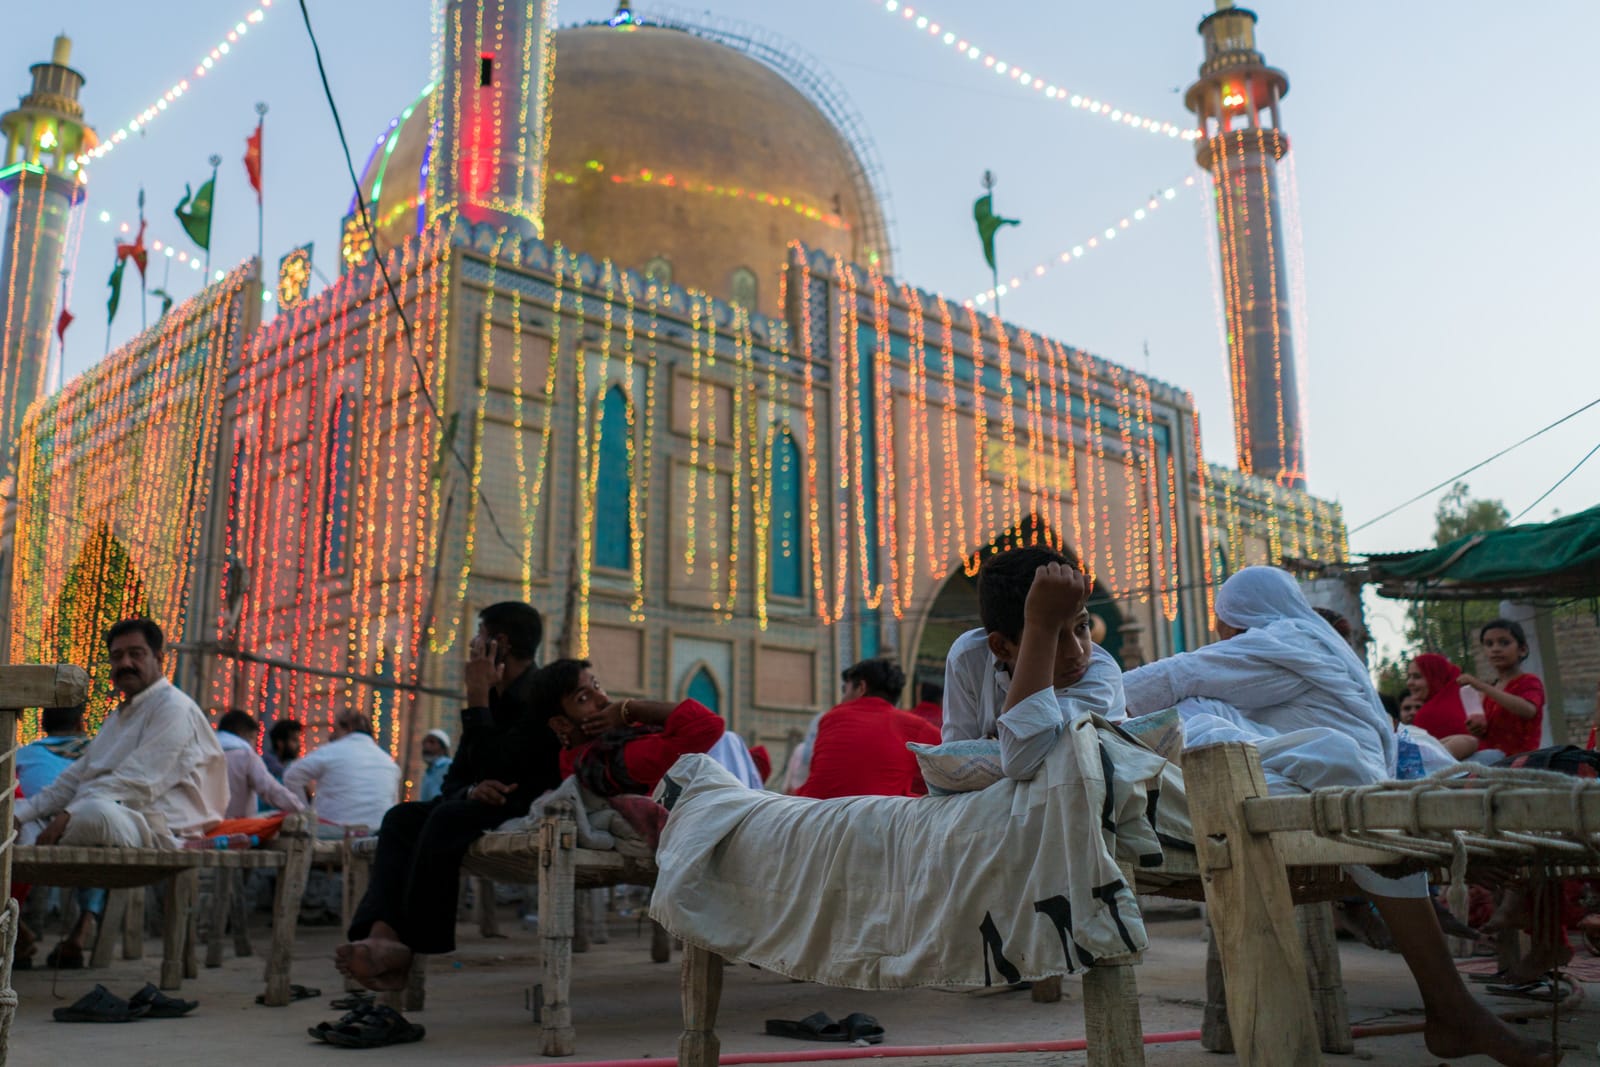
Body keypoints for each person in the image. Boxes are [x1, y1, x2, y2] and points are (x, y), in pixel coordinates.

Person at [1116, 565, 1553, 1067]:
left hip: (1334, 798)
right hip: (1350, 793)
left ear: (1239, 618)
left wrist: (1081, 690)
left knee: (1204, 715)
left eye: (1222, 621)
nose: (1219, 635)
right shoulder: (1311, 642)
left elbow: (1166, 678)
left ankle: (1451, 1006)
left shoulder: (1279, 644)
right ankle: (1451, 1006)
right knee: (1211, 719)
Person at [338, 602, 560, 992]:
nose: (472, 644)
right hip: (477, 801)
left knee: (446, 819)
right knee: (401, 818)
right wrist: (472, 788)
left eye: (479, 635)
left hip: (527, 803)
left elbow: (504, 770)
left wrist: (476, 698)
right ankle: (383, 934)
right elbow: (458, 777)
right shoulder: (492, 698)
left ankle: (414, 946)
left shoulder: (541, 696)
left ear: (499, 643)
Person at [13, 619, 229, 967]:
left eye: (136, 654)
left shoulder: (174, 708)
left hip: (158, 827)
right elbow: (72, 780)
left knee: (94, 811)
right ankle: (13, 935)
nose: (125, 663)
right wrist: (19, 814)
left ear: (159, 658)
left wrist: (69, 813)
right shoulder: (119, 716)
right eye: (117, 656)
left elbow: (138, 781)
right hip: (104, 814)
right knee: (14, 822)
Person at [942, 545, 1125, 781]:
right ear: (1001, 647)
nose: (1076, 651)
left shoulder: (1099, 675)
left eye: (1082, 627)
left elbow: (1023, 759)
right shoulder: (969, 658)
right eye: (1054, 636)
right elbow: (955, 765)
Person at [542, 659, 726, 796]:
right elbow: (710, 725)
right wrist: (630, 710)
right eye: (583, 698)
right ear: (561, 724)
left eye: (597, 686)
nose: (602, 699)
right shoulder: (622, 757)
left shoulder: (572, 754)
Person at [14, 704, 104, 969]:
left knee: (10, 844)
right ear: (80, 724)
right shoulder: (100, 752)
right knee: (98, 842)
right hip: (87, 832)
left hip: (32, 834)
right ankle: (81, 932)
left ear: (43, 726)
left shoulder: (23, 754)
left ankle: (17, 931)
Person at [795, 659, 940, 799]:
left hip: (817, 814)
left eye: (845, 690)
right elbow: (954, 756)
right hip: (881, 818)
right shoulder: (914, 727)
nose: (842, 699)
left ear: (861, 688)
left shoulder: (831, 717)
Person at [285, 710, 400, 832]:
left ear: (348, 728)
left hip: (331, 832)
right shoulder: (389, 763)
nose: (331, 736)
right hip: (374, 837)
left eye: (335, 730)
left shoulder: (332, 751)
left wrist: (305, 812)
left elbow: (291, 776)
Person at [1461, 618, 1545, 761]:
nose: (1496, 649)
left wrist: (1481, 686)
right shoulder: (1490, 691)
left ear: (1522, 650)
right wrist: (1477, 729)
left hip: (1519, 762)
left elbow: (1529, 710)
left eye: (1504, 643)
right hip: (1490, 762)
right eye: (1489, 644)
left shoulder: (1529, 681)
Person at [216, 709, 304, 819]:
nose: (253, 744)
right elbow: (270, 789)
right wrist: (300, 808)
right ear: (242, 734)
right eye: (252, 738)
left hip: (202, 830)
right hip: (236, 829)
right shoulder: (246, 757)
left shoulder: (204, 753)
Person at [1408, 653, 1480, 759]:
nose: (1409, 682)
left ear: (1436, 677)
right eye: (1409, 677)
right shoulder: (1465, 699)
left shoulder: (1428, 714)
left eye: (1417, 677)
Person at [418, 728, 453, 802]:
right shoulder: (428, 772)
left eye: (432, 742)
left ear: (443, 749)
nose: (426, 746)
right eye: (424, 743)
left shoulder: (449, 766)